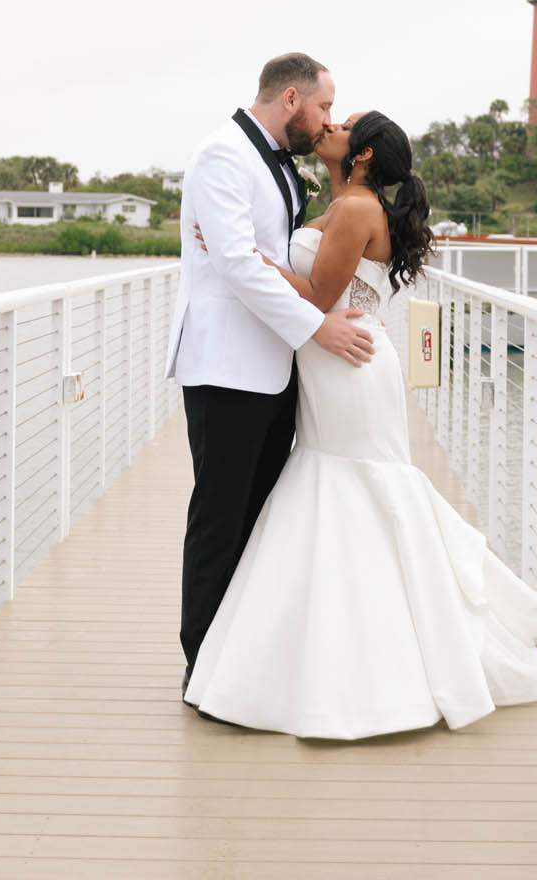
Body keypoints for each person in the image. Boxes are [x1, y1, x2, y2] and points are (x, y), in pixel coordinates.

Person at [182, 110, 537, 738]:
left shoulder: (358, 209)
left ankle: (382, 654)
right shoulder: (345, 202)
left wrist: (239, 254)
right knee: (336, 487)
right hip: (334, 360)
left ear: (359, 156)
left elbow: (316, 294)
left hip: (350, 366)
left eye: (342, 123)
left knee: (359, 486)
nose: (329, 126)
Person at [165, 53, 378, 691]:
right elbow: (235, 262)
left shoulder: (280, 164)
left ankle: (244, 660)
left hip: (276, 368)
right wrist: (319, 327)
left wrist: (347, 309)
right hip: (228, 366)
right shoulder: (223, 155)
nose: (327, 122)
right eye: (324, 108)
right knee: (221, 519)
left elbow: (278, 258)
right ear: (291, 99)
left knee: (260, 519)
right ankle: (202, 669)